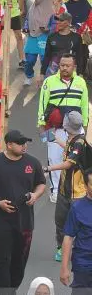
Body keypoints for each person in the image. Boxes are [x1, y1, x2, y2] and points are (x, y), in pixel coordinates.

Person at [0, 130, 47, 295]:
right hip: (1, 221)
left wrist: (35, 195)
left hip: (25, 222)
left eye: (25, 142)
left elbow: (41, 183)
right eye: (20, 143)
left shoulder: (33, 163)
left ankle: (12, 289)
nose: (24, 146)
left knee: (19, 260)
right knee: (2, 260)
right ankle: (4, 292)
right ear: (9, 145)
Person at [38, 53, 89, 203]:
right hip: (56, 129)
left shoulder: (81, 82)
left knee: (78, 161)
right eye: (62, 65)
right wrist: (42, 128)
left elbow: (84, 106)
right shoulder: (49, 82)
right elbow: (42, 105)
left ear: (74, 67)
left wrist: (85, 129)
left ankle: (79, 189)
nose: (64, 68)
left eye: (68, 65)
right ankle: (55, 191)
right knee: (54, 159)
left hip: (77, 130)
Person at [47, 111, 89, 263]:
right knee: (60, 221)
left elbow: (68, 163)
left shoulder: (80, 142)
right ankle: (61, 248)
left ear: (66, 125)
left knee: (79, 224)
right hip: (63, 191)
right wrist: (56, 140)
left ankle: (80, 250)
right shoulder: (72, 140)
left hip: (76, 194)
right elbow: (69, 150)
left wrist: (48, 168)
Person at [60, 168, 92, 292]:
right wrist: (64, 268)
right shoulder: (77, 208)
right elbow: (68, 237)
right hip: (83, 265)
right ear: (85, 186)